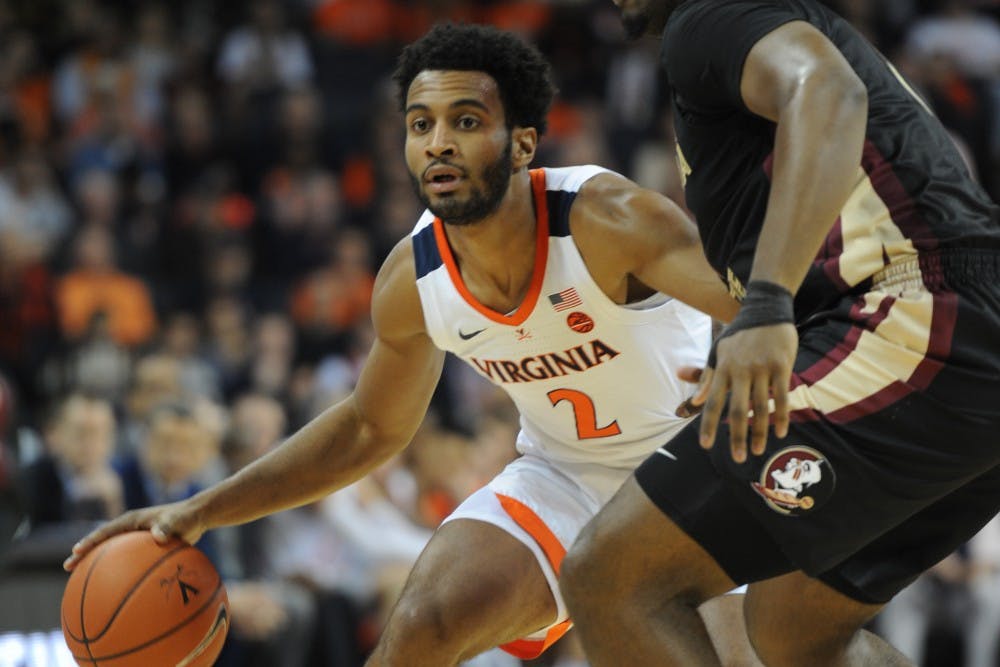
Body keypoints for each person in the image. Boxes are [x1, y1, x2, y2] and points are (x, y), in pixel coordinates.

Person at [64, 23, 750, 666]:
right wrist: (201, 510)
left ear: (522, 143)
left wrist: (743, 349)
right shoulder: (412, 278)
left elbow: (771, 301)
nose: (439, 143)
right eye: (421, 125)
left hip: (702, 470)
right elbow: (368, 427)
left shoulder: (608, 219)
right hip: (567, 475)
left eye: (467, 121)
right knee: (422, 621)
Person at [559, 2, 1000, 666]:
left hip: (918, 317)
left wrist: (767, 307)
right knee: (794, 629)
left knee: (613, 577)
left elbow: (827, 91)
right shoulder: (754, 30)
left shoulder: (706, 15)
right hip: (947, 329)